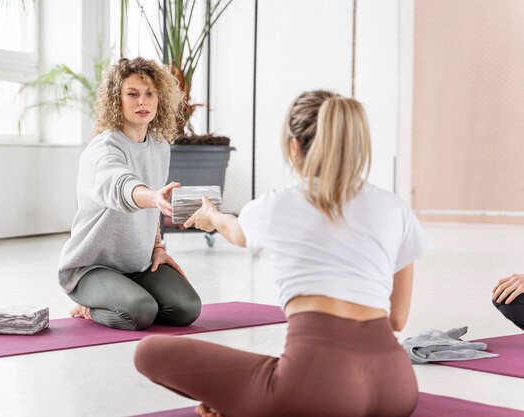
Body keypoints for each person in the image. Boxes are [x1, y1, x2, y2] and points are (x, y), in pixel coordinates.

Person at [134, 91, 431, 417]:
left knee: (149, 352)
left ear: (294, 147)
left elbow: (235, 231)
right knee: (291, 371)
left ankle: (256, 399)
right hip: (397, 389)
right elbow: (397, 319)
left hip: (320, 392)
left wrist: (212, 217)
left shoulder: (277, 205)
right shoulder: (394, 208)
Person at [58, 57, 202, 331]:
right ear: (117, 99)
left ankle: (126, 294)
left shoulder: (160, 147)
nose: (142, 102)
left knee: (187, 309)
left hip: (137, 264)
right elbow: (120, 185)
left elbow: (150, 216)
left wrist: (158, 247)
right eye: (132, 94)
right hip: (91, 268)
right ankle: (87, 306)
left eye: (149, 94)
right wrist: (153, 197)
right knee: (140, 313)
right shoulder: (102, 150)